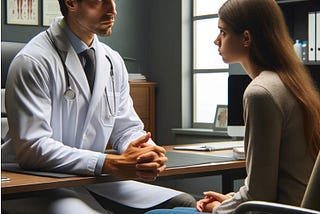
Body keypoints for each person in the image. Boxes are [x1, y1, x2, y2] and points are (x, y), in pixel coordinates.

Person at [1, 0, 196, 213]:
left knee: (184, 202)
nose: (112, 9)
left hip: (90, 177)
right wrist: (110, 164)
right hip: (33, 182)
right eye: (99, 1)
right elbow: (32, 149)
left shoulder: (112, 61)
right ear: (71, 3)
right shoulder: (32, 61)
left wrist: (143, 152)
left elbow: (126, 129)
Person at [146, 0, 320, 213]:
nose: (216, 40)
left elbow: (260, 195)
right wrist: (231, 199)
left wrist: (219, 208)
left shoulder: (261, 92)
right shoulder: (291, 83)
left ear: (246, 37)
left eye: (223, 32)